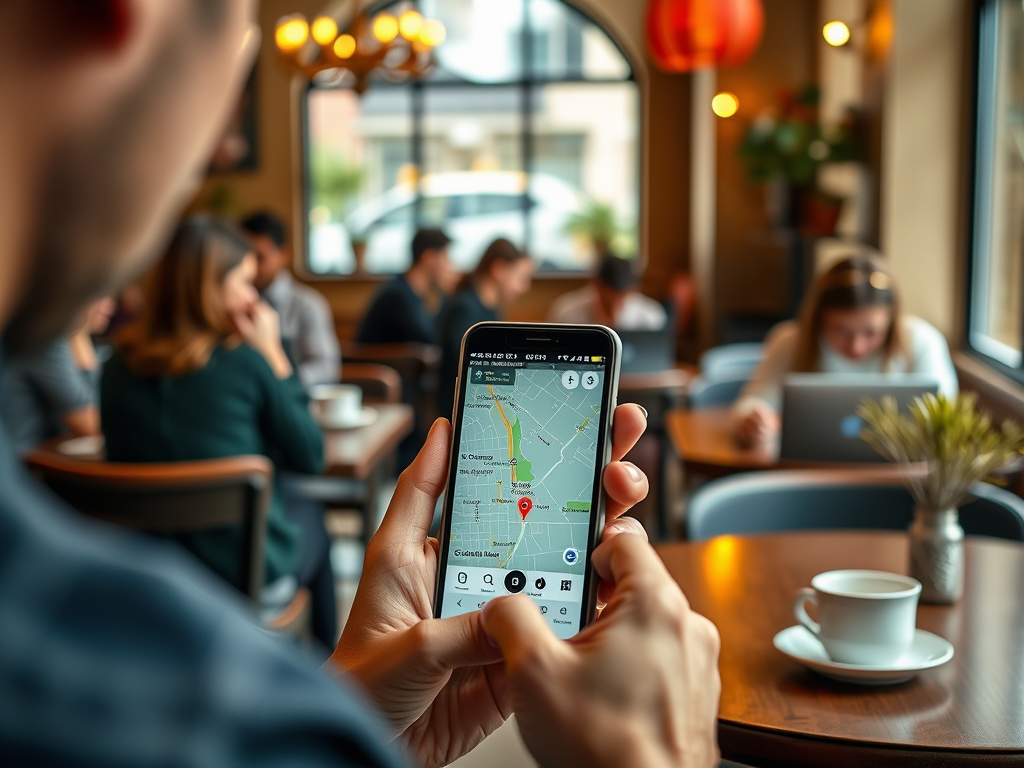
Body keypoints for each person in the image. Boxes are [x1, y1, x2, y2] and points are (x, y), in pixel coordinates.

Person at [0, 2, 721, 767]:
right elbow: (307, 454)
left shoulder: (116, 374)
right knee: (307, 531)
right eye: (244, 43)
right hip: (238, 571)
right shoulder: (240, 732)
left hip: (147, 562)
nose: (223, 139)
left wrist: (353, 715)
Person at [101, 215, 337, 648]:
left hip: (145, 584)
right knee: (314, 523)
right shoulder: (245, 363)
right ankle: (334, 683)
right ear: (211, 287)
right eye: (245, 282)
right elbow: (311, 455)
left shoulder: (116, 367)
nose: (253, 297)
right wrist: (273, 354)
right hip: (241, 591)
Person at [733, 253, 959, 447]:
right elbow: (752, 403)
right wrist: (753, 420)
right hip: (805, 476)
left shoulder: (923, 342)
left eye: (871, 332)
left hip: (898, 481)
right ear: (818, 319)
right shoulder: (789, 341)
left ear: (892, 320)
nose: (856, 346)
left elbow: (945, 419)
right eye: (841, 331)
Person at [240, 210, 341, 390]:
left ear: (282, 255)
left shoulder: (307, 305)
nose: (251, 267)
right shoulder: (234, 303)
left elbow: (326, 368)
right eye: (244, 258)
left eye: (260, 257)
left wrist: (280, 382)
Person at [436, 238, 535, 419]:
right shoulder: (465, 308)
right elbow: (464, 365)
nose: (525, 287)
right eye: (521, 278)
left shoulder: (490, 309)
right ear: (498, 269)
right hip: (461, 408)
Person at [0, 296, 113, 454]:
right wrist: (80, 336)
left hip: (38, 462)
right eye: (102, 294)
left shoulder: (54, 337)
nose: (110, 307)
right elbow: (95, 425)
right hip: (25, 468)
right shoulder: (44, 339)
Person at [356, 228, 454, 345]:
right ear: (429, 258)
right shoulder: (397, 295)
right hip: (373, 362)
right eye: (445, 258)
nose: (449, 266)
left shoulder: (416, 292)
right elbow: (427, 340)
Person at [548, 252, 667, 330]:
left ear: (634, 289)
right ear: (596, 285)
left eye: (623, 296)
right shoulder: (567, 310)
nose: (617, 302)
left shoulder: (651, 314)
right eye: (611, 295)